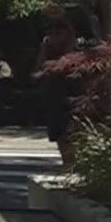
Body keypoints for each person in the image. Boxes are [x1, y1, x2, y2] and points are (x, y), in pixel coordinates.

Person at [34, 12, 79, 163]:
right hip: (52, 91)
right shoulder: (47, 47)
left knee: (69, 129)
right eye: (51, 33)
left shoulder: (70, 49)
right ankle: (66, 160)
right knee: (57, 130)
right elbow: (39, 67)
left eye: (57, 33)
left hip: (69, 90)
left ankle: (70, 160)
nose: (53, 36)